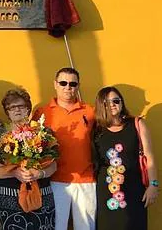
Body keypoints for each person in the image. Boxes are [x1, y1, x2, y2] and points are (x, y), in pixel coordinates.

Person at [31, 67, 96, 230]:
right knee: (56, 227)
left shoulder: (90, 111)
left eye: (73, 83)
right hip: (54, 180)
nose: (68, 87)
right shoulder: (42, 113)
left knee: (86, 227)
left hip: (85, 179)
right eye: (63, 83)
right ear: (55, 84)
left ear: (78, 86)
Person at [0, 88, 57, 230]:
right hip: (11, 199)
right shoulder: (2, 135)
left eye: (21, 106)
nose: (17, 110)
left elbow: (54, 165)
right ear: (7, 112)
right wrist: (14, 172)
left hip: (42, 197)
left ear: (28, 108)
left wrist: (40, 173)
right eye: (12, 107)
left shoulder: (44, 132)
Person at [92, 86, 158, 230]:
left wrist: (153, 185)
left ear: (122, 103)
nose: (112, 105)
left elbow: (149, 157)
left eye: (116, 101)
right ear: (100, 105)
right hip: (105, 193)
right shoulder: (96, 130)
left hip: (134, 191)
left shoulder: (137, 124)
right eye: (107, 102)